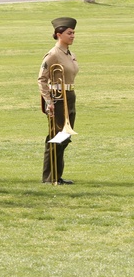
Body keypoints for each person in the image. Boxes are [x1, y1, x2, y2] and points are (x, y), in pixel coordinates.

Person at [38, 17, 79, 184]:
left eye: (74, 33)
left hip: (69, 96)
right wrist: (48, 101)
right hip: (57, 98)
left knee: (65, 137)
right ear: (59, 34)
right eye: (69, 33)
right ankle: (50, 177)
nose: (73, 36)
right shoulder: (53, 54)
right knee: (55, 137)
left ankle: (57, 175)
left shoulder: (70, 53)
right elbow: (41, 79)